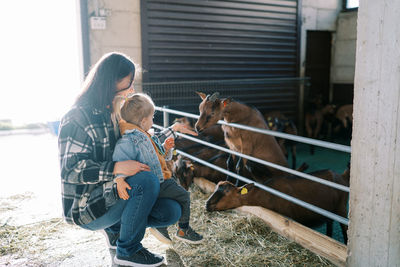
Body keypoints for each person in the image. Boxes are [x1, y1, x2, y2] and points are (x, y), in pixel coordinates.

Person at [58, 52, 193, 267]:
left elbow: (140, 140)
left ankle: (116, 230)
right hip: (87, 205)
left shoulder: (115, 112)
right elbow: (71, 170)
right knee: (146, 179)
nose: (131, 90)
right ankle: (127, 251)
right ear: (110, 82)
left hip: (114, 191)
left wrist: (172, 131)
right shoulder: (77, 118)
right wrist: (117, 167)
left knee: (171, 211)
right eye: (128, 83)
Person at [113, 93, 203, 246]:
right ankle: (183, 229)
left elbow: (158, 156)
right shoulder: (130, 139)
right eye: (152, 117)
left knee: (171, 201)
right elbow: (120, 158)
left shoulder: (145, 135)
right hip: (157, 182)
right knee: (184, 196)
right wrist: (119, 179)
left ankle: (161, 226)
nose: (153, 121)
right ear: (143, 121)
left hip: (158, 179)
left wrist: (166, 148)